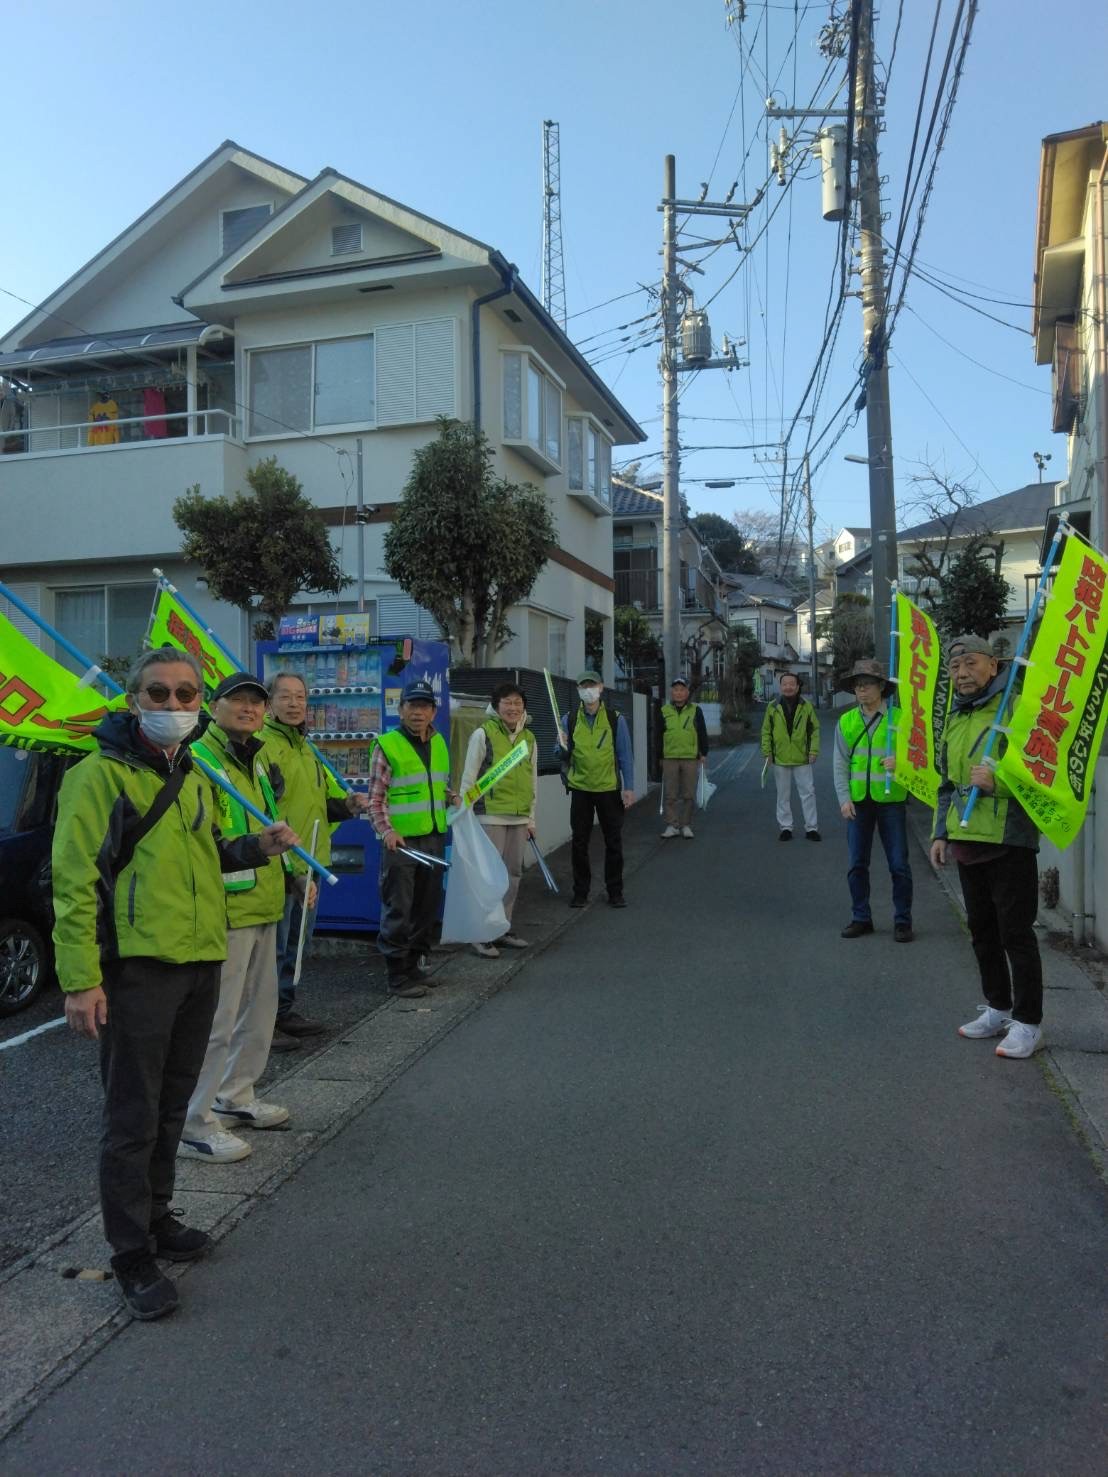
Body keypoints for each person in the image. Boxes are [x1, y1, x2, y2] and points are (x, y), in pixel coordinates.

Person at [52, 648, 297, 1321]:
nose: (173, 706)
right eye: (158, 694)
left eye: (186, 695)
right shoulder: (97, 776)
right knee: (131, 1117)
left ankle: (158, 1218)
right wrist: (81, 980)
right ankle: (131, 1253)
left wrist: (257, 848)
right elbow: (75, 884)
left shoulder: (192, 772)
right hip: (136, 971)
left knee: (170, 1106)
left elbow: (206, 852)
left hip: (198, 962)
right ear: (134, 700)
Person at [179, 672, 298, 1164]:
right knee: (216, 1021)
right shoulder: (199, 758)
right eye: (238, 701)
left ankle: (236, 1096)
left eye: (256, 702)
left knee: (259, 1013)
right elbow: (200, 840)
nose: (249, 709)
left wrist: (290, 875)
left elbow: (269, 825)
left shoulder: (258, 757)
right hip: (225, 908)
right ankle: (193, 1120)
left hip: (266, 900)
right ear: (214, 705)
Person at [930, 634, 1044, 1058]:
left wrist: (1000, 783)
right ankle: (998, 1007)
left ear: (993, 666)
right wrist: (940, 832)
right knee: (982, 933)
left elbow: (1041, 770)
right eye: (955, 668)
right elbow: (946, 784)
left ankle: (1029, 1024)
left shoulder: (1014, 709)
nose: (962, 673)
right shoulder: (956, 716)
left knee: (1016, 934)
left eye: (971, 664)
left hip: (1009, 839)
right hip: (965, 838)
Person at [263, 671, 369, 1046]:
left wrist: (347, 805)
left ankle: (283, 1012)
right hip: (280, 866)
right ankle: (263, 1025)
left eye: (301, 697)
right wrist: (290, 870)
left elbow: (315, 806)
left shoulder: (307, 748)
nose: (294, 704)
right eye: (286, 697)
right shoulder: (264, 747)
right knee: (272, 950)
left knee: (296, 947)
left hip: (311, 862)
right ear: (269, 702)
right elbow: (263, 814)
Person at [369, 680, 456, 996]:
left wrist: (450, 796)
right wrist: (386, 831)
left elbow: (433, 785)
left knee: (426, 907)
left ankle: (415, 966)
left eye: (424, 706)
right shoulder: (387, 745)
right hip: (402, 843)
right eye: (412, 705)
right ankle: (397, 976)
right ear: (401, 708)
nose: (418, 712)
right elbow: (376, 799)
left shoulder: (439, 743)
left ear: (433, 711)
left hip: (434, 836)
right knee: (399, 909)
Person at [833, 659, 914, 942]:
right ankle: (861, 917)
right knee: (857, 863)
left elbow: (919, 761)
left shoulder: (900, 719)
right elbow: (840, 763)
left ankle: (903, 921)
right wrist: (844, 798)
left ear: (881, 686)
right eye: (857, 686)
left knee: (898, 864)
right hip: (858, 802)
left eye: (867, 684)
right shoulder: (847, 721)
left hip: (891, 800)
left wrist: (901, 765)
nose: (862, 690)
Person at [460, 681, 539, 958]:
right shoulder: (483, 734)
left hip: (518, 817)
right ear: (496, 706)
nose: (513, 708)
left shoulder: (529, 738)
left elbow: (532, 779)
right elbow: (469, 776)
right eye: (507, 702)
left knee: (512, 876)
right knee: (488, 877)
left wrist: (531, 819)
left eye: (518, 703)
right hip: (489, 814)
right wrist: (464, 815)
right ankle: (481, 933)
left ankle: (501, 927)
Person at [557, 670, 635, 908]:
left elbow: (624, 755)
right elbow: (559, 754)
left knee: (613, 842)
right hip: (580, 788)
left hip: (608, 788)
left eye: (592, 685)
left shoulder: (615, 719)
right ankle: (580, 891)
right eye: (583, 686)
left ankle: (615, 891)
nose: (588, 690)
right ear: (579, 690)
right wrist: (562, 745)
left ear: (601, 688)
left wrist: (628, 787)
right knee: (579, 842)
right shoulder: (568, 719)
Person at [761, 671, 821, 841]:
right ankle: (785, 827)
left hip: (802, 757)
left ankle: (811, 828)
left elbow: (814, 729)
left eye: (791, 684)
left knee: (808, 793)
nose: (788, 687)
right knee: (783, 795)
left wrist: (813, 751)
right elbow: (766, 731)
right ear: (780, 687)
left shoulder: (806, 706)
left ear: (797, 686)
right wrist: (767, 752)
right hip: (780, 758)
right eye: (784, 684)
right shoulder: (772, 707)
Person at [657, 675, 709, 839]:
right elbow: (658, 736)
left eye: (682, 690)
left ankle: (686, 824)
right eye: (676, 690)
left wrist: (704, 753)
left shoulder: (695, 710)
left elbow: (702, 733)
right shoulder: (664, 711)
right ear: (672, 692)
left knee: (688, 794)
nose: (678, 693)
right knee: (670, 794)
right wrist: (659, 756)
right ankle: (672, 825)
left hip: (690, 758)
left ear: (687, 692)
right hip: (669, 757)